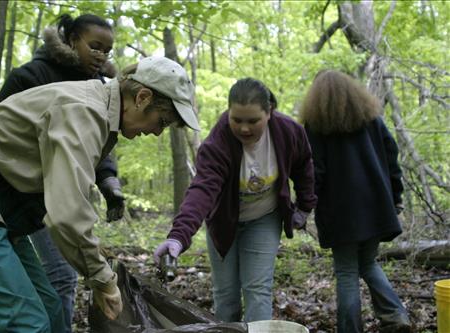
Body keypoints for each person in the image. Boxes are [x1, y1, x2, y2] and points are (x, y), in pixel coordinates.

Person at [0, 56, 200, 333]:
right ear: (142, 97)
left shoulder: (101, 111)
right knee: (21, 323)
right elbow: (67, 214)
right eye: (161, 121)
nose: (156, 132)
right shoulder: (85, 111)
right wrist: (102, 278)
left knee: (49, 307)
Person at [0, 13, 121, 332]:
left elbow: (96, 145)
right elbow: (1, 130)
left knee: (57, 280)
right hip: (25, 192)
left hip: (62, 191)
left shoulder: (97, 88)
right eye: (94, 46)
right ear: (71, 40)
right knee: (62, 275)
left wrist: (109, 184)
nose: (101, 55)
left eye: (107, 50)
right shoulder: (32, 75)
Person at [153, 78, 317, 322]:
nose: (244, 128)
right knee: (226, 293)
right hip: (223, 221)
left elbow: (304, 167)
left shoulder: (288, 132)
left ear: (269, 112)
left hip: (264, 218)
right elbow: (202, 190)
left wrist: (304, 207)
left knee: (257, 289)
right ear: (228, 113)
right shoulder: (218, 143)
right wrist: (178, 236)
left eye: (253, 121)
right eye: (237, 120)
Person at [299, 70, 411, 333]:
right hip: (376, 207)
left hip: (341, 214)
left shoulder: (316, 127)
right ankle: (395, 315)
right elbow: (392, 156)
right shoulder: (371, 120)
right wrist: (396, 197)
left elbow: (315, 171)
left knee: (347, 272)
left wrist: (305, 204)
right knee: (368, 263)